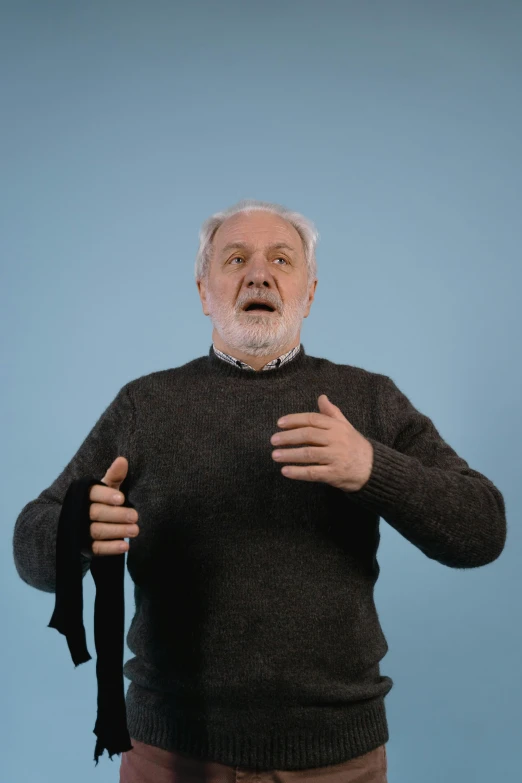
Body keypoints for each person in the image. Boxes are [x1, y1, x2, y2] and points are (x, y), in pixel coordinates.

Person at [13, 199, 507, 783]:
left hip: (335, 759)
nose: (259, 273)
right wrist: (79, 529)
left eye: (281, 259)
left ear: (311, 291)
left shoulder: (369, 400)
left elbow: (482, 530)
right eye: (236, 258)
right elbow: (31, 548)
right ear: (204, 291)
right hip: (171, 753)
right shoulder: (145, 405)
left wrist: (373, 467)